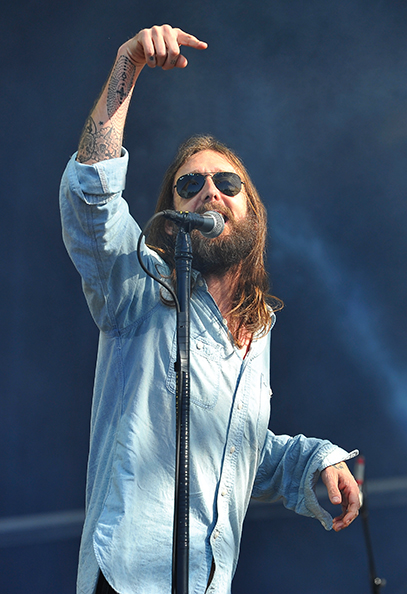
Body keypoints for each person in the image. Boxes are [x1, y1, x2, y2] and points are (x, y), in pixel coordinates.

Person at [60, 24, 360, 594]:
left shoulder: (259, 329)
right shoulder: (140, 287)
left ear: (253, 211)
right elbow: (91, 201)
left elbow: (235, 451)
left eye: (227, 181)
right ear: (173, 214)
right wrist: (127, 68)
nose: (208, 191)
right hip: (127, 581)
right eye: (189, 183)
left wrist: (314, 462)